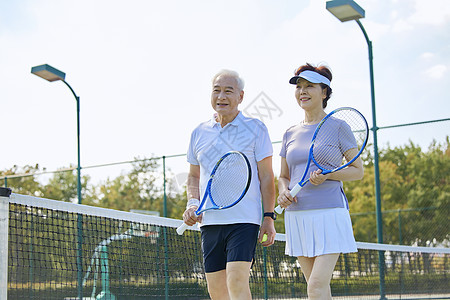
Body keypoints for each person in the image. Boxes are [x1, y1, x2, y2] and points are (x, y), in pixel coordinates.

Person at [182, 69, 276, 300]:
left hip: (244, 221)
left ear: (240, 97)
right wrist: (192, 203)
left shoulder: (256, 128)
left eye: (228, 91)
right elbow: (193, 176)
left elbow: (267, 177)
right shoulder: (198, 132)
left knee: (236, 279)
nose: (221, 96)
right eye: (216, 90)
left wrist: (269, 217)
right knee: (217, 291)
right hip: (209, 222)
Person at [277, 63, 364, 300]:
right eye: (299, 87)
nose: (302, 91)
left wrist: (329, 174)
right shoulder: (289, 133)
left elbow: (358, 171)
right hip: (297, 216)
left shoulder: (338, 126)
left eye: (309, 87)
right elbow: (283, 176)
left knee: (315, 286)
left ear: (324, 92)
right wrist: (283, 192)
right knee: (318, 288)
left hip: (330, 214)